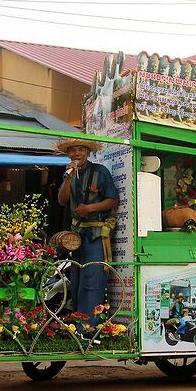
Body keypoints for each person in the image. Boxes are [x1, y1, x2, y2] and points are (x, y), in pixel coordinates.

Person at [57, 138, 119, 328]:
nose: (77, 154)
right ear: (68, 154)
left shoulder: (100, 172)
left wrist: (90, 208)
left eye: (81, 150)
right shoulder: (69, 174)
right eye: (73, 150)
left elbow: (113, 200)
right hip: (77, 236)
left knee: (92, 279)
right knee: (76, 280)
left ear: (88, 153)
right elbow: (62, 200)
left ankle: (90, 330)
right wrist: (68, 176)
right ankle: (77, 326)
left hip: (96, 234)